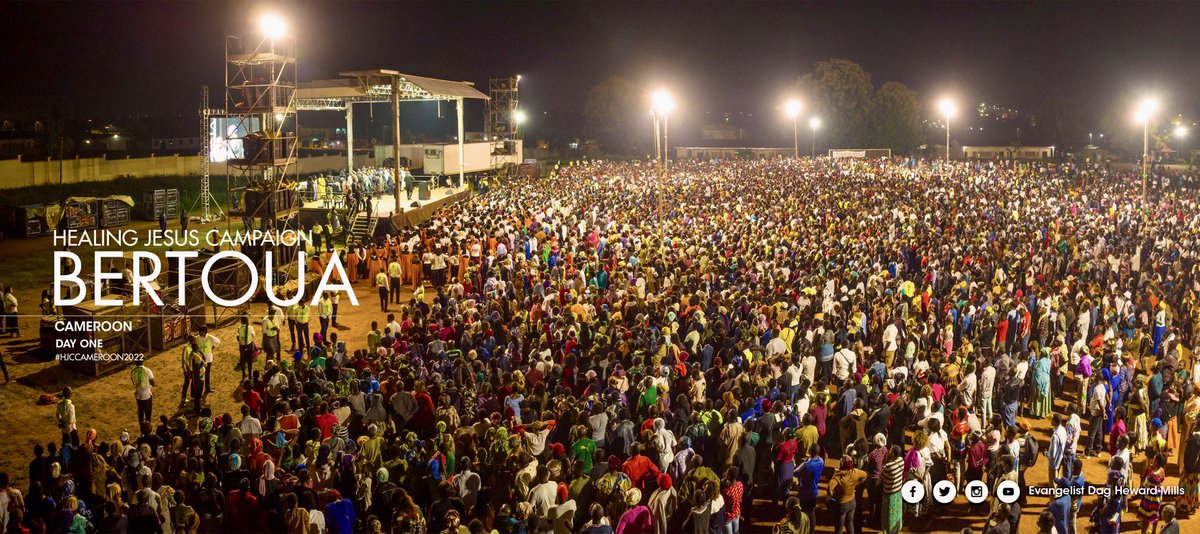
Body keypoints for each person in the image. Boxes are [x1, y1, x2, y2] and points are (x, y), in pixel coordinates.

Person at [828, 457, 866, 534]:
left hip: (842, 504)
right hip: (852, 502)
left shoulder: (838, 477)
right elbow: (865, 475)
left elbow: (829, 488)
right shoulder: (855, 472)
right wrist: (856, 484)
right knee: (850, 523)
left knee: (839, 527)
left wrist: (832, 496)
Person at [130, 358, 155, 425]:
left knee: (140, 411)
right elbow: (152, 381)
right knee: (148, 412)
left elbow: (133, 382)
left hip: (138, 394)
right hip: (146, 394)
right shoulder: (147, 370)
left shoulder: (133, 371)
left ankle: (141, 425)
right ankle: (148, 426)